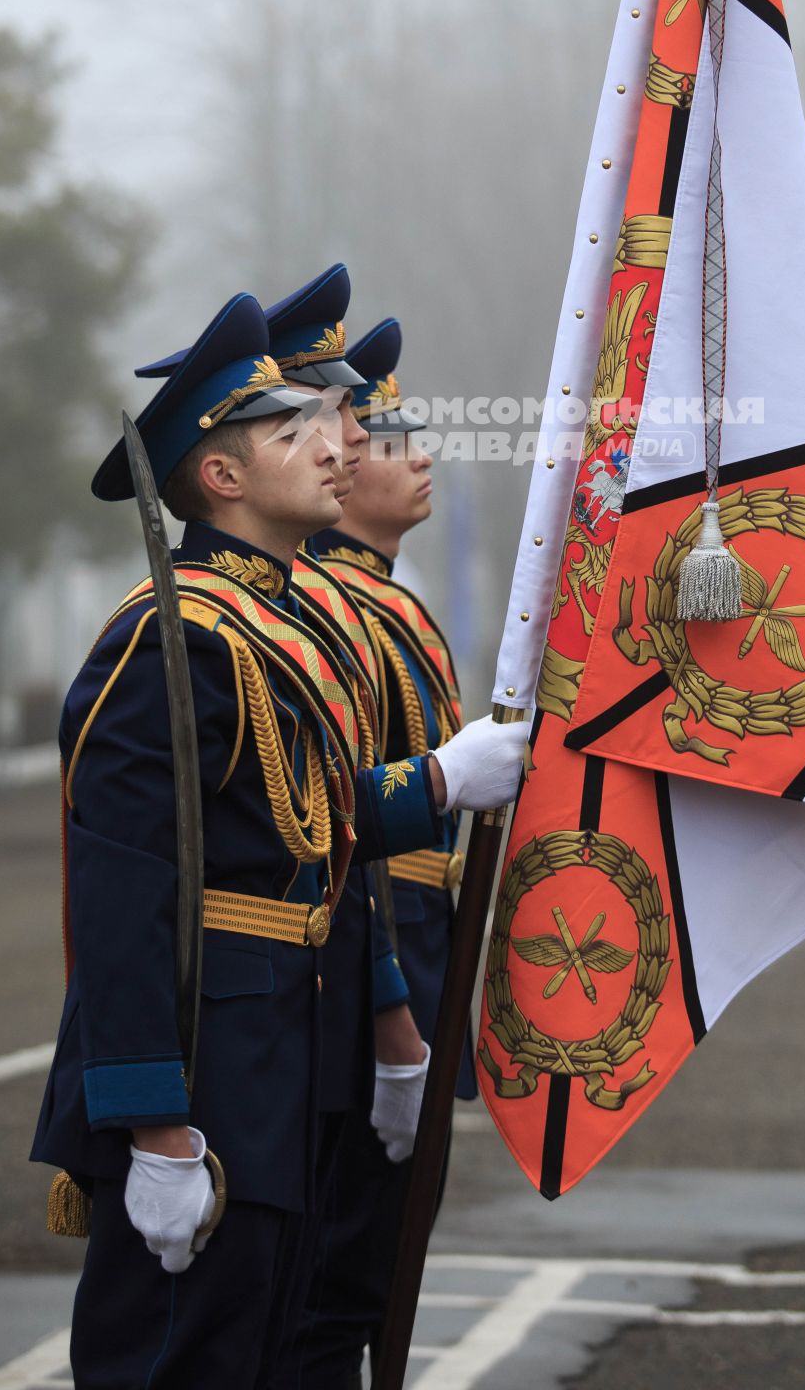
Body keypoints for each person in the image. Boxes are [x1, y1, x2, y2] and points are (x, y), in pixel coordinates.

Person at [30, 285, 527, 1390]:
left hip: (288, 1061)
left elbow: (312, 829)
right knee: (179, 1364)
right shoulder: (168, 642)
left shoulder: (270, 628)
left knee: (272, 1352)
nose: (337, 446)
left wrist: (435, 786)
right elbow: (125, 899)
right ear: (219, 477)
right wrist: (152, 1122)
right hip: (211, 1074)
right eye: (293, 429)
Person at [290, 317, 475, 1388]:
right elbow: (348, 836)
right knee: (333, 1289)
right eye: (387, 435)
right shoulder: (333, 615)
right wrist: (395, 1016)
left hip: (406, 973)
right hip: (363, 989)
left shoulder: (383, 608)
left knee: (362, 1282)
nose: (416, 454)